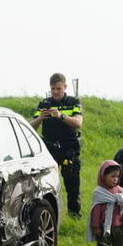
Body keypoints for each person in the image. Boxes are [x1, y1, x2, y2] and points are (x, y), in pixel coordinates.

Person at [30, 73, 84, 217]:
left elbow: (78, 123)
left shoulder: (73, 102)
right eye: (53, 89)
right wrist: (40, 118)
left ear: (65, 87)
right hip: (49, 149)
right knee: (46, 184)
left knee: (72, 185)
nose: (55, 92)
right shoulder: (44, 104)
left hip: (69, 149)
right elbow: (30, 127)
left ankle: (74, 214)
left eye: (58, 89)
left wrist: (61, 115)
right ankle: (48, 213)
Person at [86, 160, 123, 246]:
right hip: (104, 228)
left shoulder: (120, 192)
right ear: (103, 176)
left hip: (119, 228)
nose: (115, 179)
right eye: (112, 176)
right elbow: (96, 212)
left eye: (117, 177)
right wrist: (96, 227)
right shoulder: (100, 192)